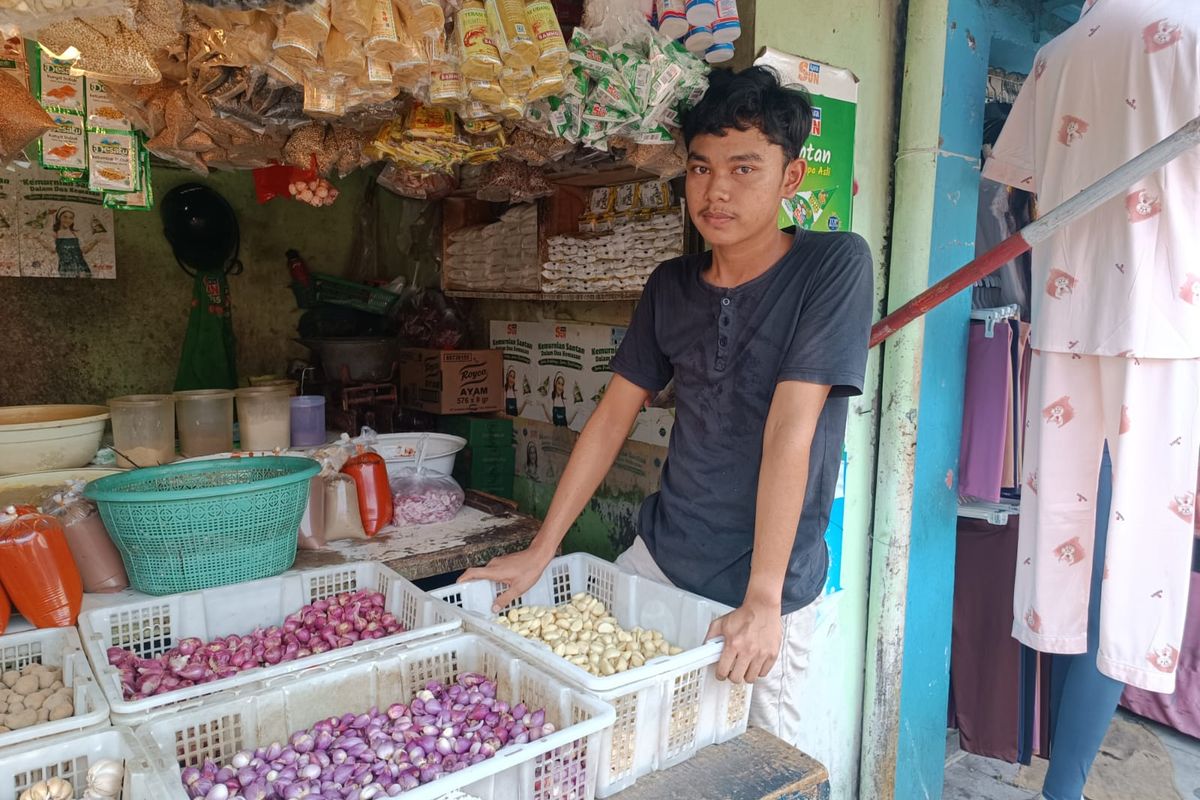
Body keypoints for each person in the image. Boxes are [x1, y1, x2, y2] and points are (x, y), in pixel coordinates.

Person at [461, 65, 873, 745]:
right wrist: (542, 549)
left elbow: (791, 432)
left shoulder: (833, 267)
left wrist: (763, 600)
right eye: (701, 168)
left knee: (757, 768)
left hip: (766, 590)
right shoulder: (670, 286)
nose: (717, 191)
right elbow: (612, 418)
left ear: (790, 179)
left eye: (745, 169)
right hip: (660, 560)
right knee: (615, 745)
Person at [983, 2, 1200, 798]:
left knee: (1066, 548)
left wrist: (1042, 298)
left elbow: (1013, 199)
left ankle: (1062, 780)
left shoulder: (1058, 52)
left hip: (1069, 316)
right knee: (1138, 561)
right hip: (1168, 318)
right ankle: (1064, 782)